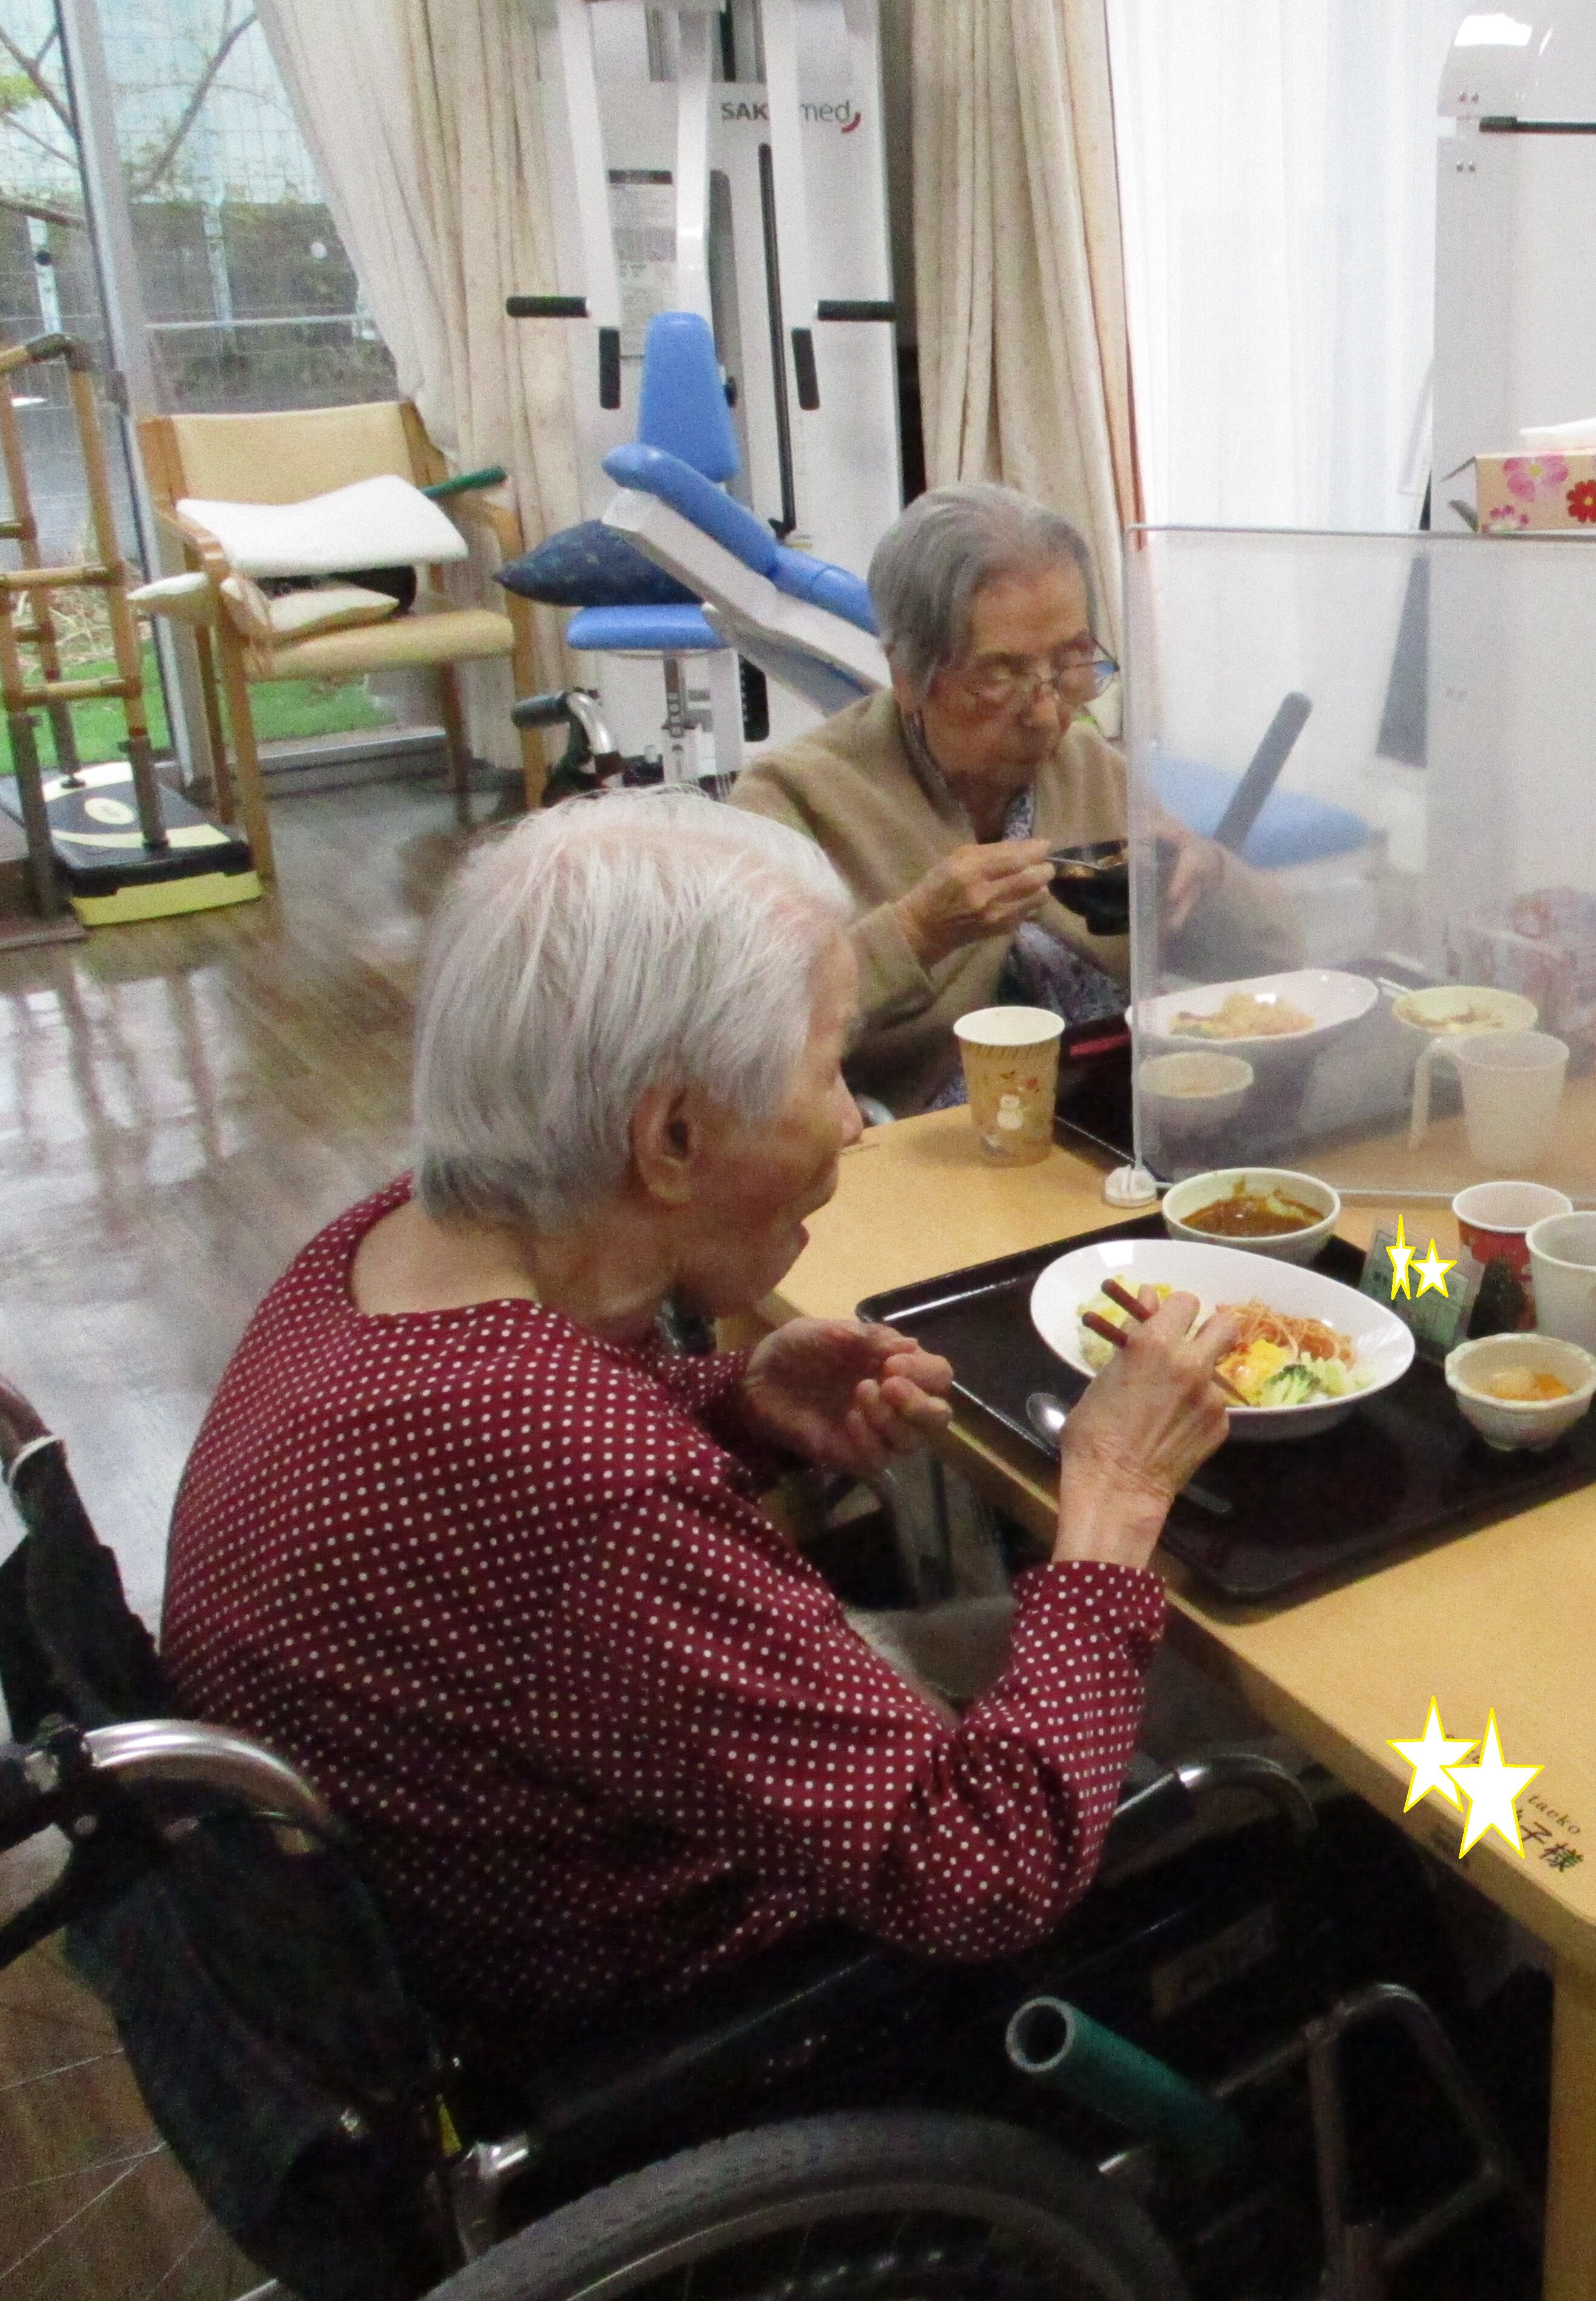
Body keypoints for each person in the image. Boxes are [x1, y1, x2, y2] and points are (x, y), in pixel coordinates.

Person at [160, 793, 1250, 2043]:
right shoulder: (583, 1475)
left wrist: (731, 1400)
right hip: (716, 2006)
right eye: (828, 1071)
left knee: (1055, 1648)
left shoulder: (376, 1252)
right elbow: (981, 1874)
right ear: (672, 1135)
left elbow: (515, 1534)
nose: (852, 1121)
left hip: (523, 1841)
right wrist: (1113, 1497)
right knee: (1262, 1732)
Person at [732, 482, 1299, 1114]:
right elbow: (741, 1052)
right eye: (999, 675)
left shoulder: (1087, 766)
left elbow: (1279, 962)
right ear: (906, 674)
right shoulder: (795, 802)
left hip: (1120, 1115)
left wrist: (1208, 880)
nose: (1046, 714)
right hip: (926, 1146)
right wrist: (916, 933)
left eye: (1072, 663)